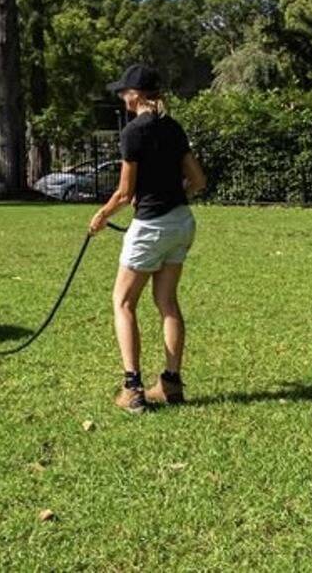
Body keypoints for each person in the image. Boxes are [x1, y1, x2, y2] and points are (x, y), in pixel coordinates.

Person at [88, 65, 208, 414]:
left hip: (151, 227)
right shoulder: (173, 128)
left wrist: (100, 216)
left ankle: (133, 389)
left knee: (123, 302)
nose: (122, 96)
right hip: (182, 222)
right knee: (167, 302)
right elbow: (198, 181)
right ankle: (171, 383)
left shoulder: (133, 133)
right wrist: (172, 192)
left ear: (137, 95)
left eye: (125, 91)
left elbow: (125, 194)